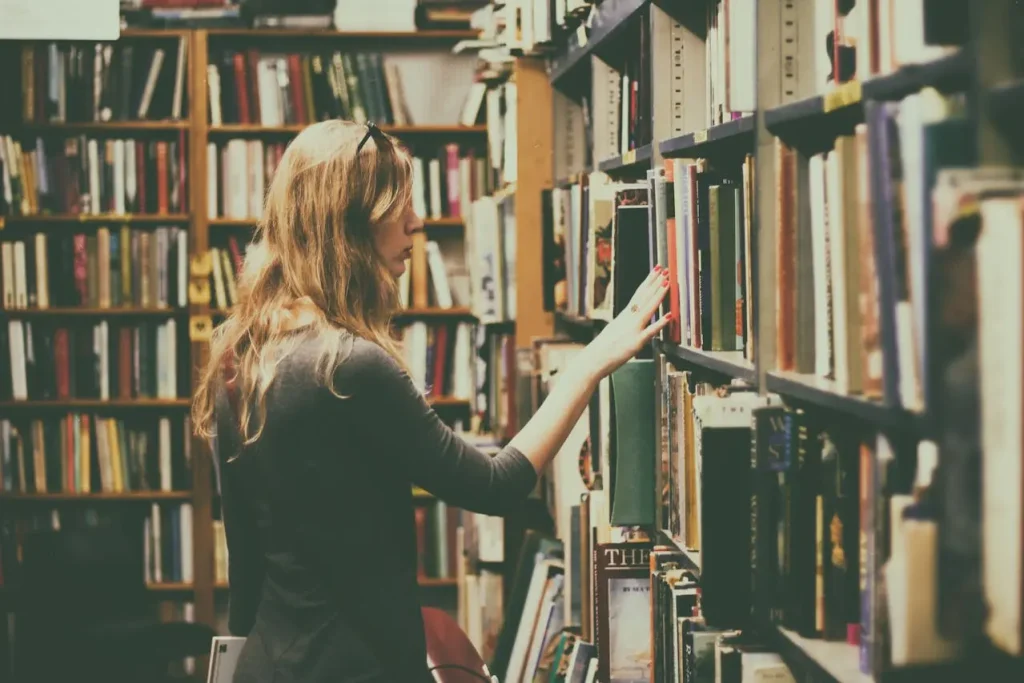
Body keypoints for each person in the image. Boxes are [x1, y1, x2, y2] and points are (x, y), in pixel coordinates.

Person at [192, 119, 672, 683]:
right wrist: (591, 363)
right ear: (349, 223)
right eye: (400, 206)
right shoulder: (349, 367)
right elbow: (495, 485)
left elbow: (246, 569)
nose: (417, 224)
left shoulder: (241, 360)